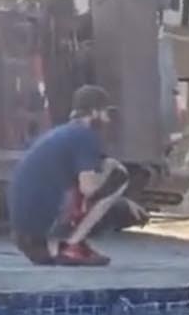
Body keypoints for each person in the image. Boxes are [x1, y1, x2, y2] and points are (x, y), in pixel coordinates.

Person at [9, 85, 148, 266]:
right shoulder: (85, 136)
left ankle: (58, 245)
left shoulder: (64, 133)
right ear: (94, 112)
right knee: (117, 174)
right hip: (43, 222)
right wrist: (113, 181)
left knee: (107, 173)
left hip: (26, 231)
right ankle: (69, 246)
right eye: (106, 113)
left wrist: (123, 202)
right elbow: (89, 188)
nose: (107, 120)